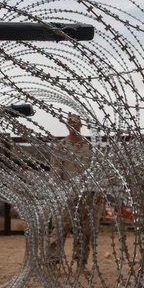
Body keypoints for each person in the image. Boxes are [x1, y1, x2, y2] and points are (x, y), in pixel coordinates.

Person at [48, 113, 97, 268]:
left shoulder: (89, 147)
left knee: (85, 229)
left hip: (86, 193)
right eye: (70, 123)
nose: (73, 125)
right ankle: (53, 260)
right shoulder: (60, 146)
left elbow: (95, 171)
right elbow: (55, 170)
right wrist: (57, 190)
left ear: (81, 125)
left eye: (75, 123)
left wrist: (97, 191)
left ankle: (81, 261)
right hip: (67, 193)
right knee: (61, 227)